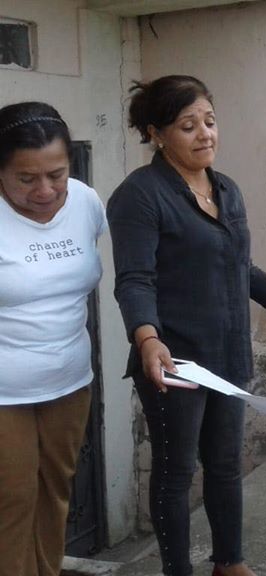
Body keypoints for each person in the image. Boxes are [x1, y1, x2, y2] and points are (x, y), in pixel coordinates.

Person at [107, 75, 266, 576]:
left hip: (228, 352)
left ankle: (229, 563)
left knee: (226, 464)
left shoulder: (226, 189)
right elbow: (135, 279)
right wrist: (147, 337)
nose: (205, 134)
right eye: (188, 125)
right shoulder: (140, 196)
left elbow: (240, 268)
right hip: (175, 359)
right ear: (157, 133)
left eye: (209, 121)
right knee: (175, 472)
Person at [0, 102, 105, 576]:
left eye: (56, 175)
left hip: (70, 380)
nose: (44, 191)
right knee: (12, 497)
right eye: (25, 179)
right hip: (5, 391)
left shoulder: (85, 202)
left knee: (57, 489)